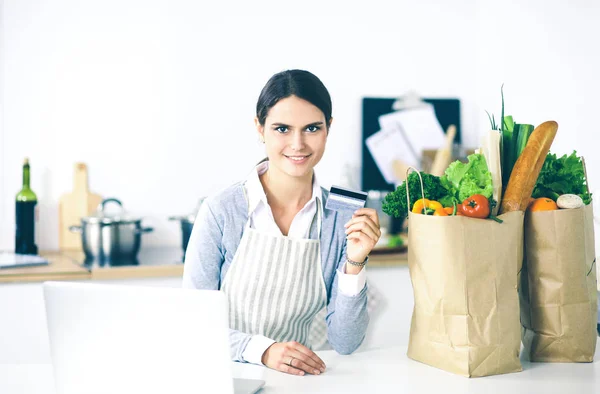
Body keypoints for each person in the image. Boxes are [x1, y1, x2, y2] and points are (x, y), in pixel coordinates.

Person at [182, 69, 381, 376]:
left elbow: (346, 342)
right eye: (282, 129)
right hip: (225, 376)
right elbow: (193, 324)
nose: (298, 143)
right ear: (259, 128)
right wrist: (263, 351)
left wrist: (355, 262)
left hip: (300, 380)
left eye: (312, 128)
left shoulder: (341, 214)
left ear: (329, 128)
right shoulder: (222, 209)